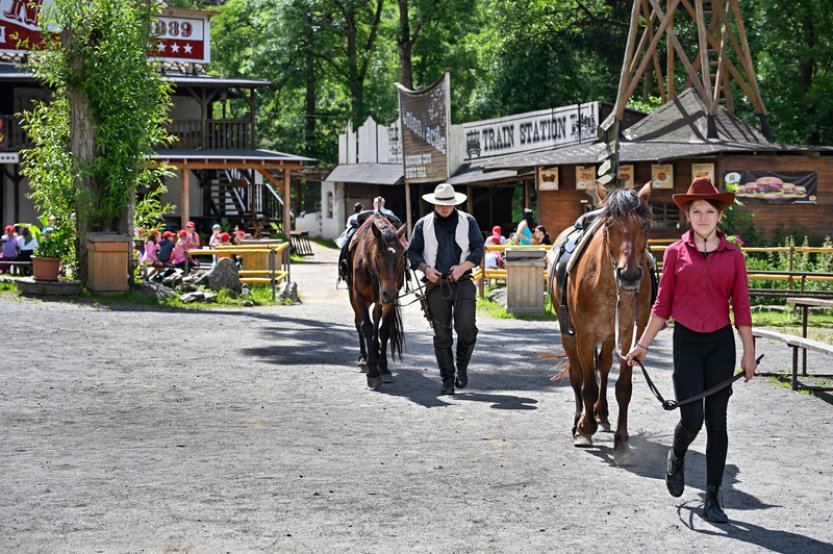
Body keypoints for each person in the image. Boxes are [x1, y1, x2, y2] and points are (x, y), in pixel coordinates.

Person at [626, 177, 757, 524]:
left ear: (719, 215)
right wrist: (642, 345)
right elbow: (661, 305)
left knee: (717, 422)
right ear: (687, 215)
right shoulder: (674, 253)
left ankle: (713, 496)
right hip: (686, 342)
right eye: (696, 211)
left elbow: (742, 308)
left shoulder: (734, 256)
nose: (703, 217)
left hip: (720, 343)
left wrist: (748, 352)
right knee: (692, 419)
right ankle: (677, 455)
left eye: (709, 211)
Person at [407, 183, 485, 395]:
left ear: (454, 204)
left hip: (463, 282)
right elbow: (412, 253)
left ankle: (461, 369)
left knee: (467, 328)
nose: (444, 208)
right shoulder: (423, 224)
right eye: (440, 204)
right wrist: (425, 269)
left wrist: (463, 267)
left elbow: (479, 249)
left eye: (448, 205)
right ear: (434, 203)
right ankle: (447, 378)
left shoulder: (469, 221)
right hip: (435, 285)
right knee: (442, 335)